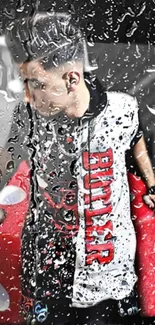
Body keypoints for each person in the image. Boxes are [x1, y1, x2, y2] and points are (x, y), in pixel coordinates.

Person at [1, 11, 155, 325]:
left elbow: (136, 143)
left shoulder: (121, 109)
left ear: (72, 79)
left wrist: (151, 184)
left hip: (107, 265)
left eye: (36, 84)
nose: (28, 96)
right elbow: (6, 161)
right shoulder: (27, 116)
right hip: (47, 268)